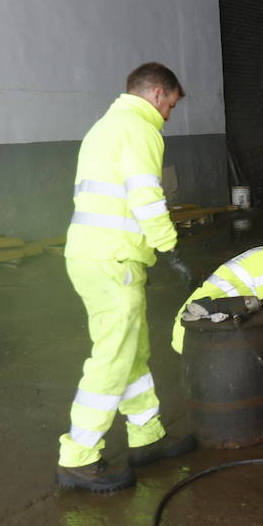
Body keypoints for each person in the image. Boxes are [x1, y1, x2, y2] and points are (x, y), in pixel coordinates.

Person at [56, 62, 198, 493]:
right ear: (157, 93)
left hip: (94, 256)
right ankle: (77, 457)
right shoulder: (139, 128)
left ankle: (147, 436)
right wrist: (169, 246)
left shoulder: (106, 126)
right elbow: (145, 194)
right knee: (114, 356)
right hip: (112, 258)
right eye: (170, 105)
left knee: (133, 351)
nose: (168, 116)